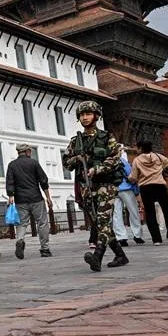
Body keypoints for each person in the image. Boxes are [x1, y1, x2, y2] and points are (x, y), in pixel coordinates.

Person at [63, 101, 128, 272]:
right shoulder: (76, 141)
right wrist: (76, 159)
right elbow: (66, 163)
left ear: (96, 116)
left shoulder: (107, 137)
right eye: (82, 115)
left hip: (106, 184)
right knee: (100, 224)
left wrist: (97, 169)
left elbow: (115, 157)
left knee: (103, 220)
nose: (85, 118)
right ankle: (120, 255)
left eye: (88, 114)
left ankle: (97, 256)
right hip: (87, 187)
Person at [6, 143, 53, 258]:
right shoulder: (34, 163)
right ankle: (45, 249)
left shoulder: (12, 165)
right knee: (42, 223)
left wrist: (10, 196)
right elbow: (43, 181)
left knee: (22, 223)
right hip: (36, 197)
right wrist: (48, 197)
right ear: (27, 152)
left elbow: (10, 182)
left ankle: (20, 240)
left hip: (20, 199)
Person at [129, 140, 168, 246]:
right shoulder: (158, 156)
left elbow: (133, 177)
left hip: (145, 187)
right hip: (160, 185)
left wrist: (131, 179)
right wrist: (164, 173)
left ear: (141, 148)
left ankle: (156, 239)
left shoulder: (137, 160)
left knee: (150, 212)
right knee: (167, 210)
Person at [112, 150, 145, 247]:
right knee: (133, 212)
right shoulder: (123, 161)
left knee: (117, 214)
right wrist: (136, 191)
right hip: (126, 189)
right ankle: (137, 235)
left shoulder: (106, 162)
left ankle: (121, 237)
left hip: (113, 190)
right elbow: (131, 176)